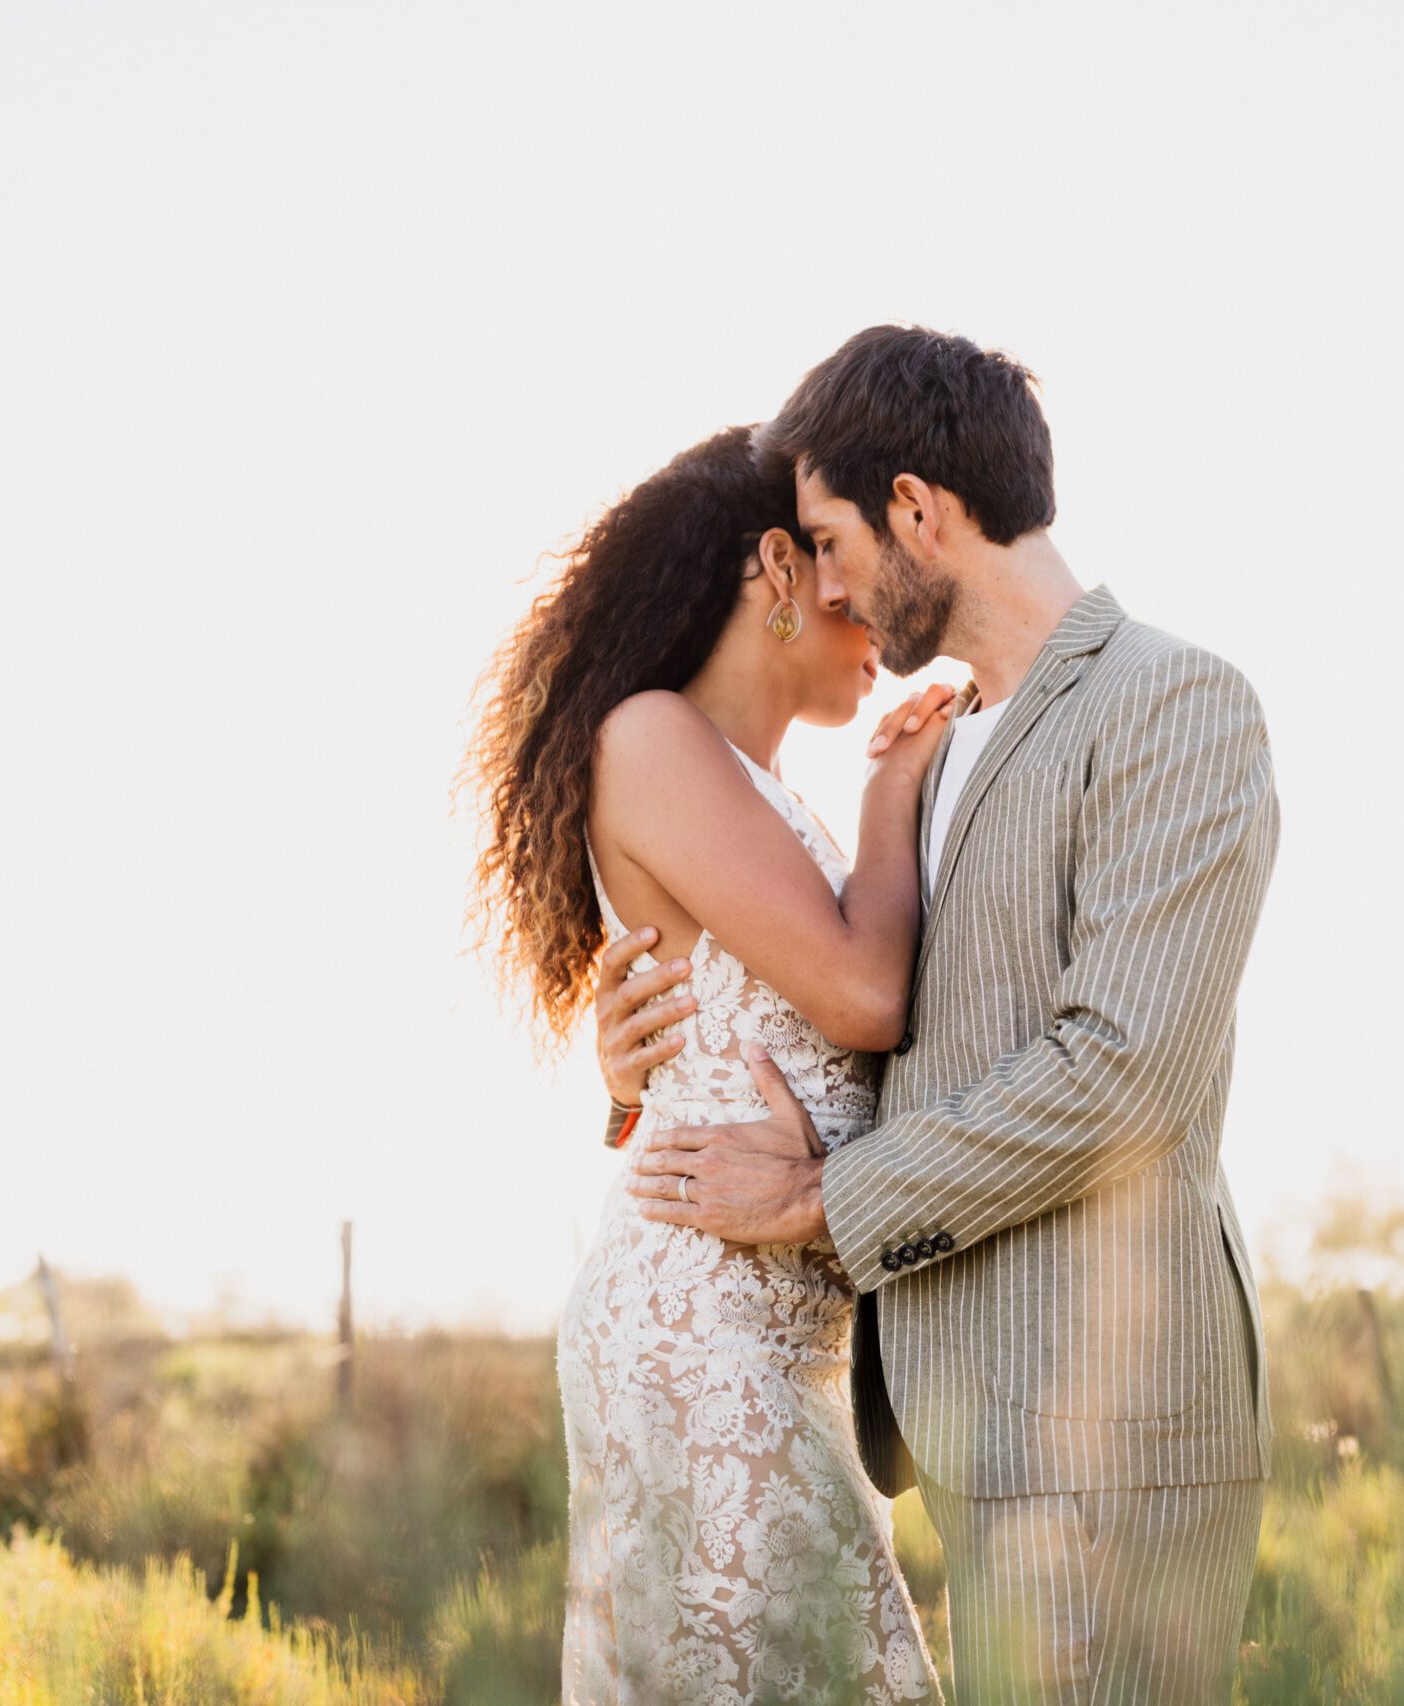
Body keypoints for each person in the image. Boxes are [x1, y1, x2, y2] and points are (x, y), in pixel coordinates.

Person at [598, 327, 1281, 1705]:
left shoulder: (1174, 701)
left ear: (919, 510)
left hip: (1114, 1418)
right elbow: (863, 1020)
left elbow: (1122, 1078)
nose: (825, 581)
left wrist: (814, 1199)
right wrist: (639, 1071)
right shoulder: (942, 744)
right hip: (978, 1417)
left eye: (832, 537)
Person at [465, 422, 961, 1703]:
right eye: (841, 561)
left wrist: (635, 1090)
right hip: (704, 1324)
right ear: (777, 571)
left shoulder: (742, 776)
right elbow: (861, 990)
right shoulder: (651, 735)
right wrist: (892, 793)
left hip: (774, 1325)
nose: (873, 606)